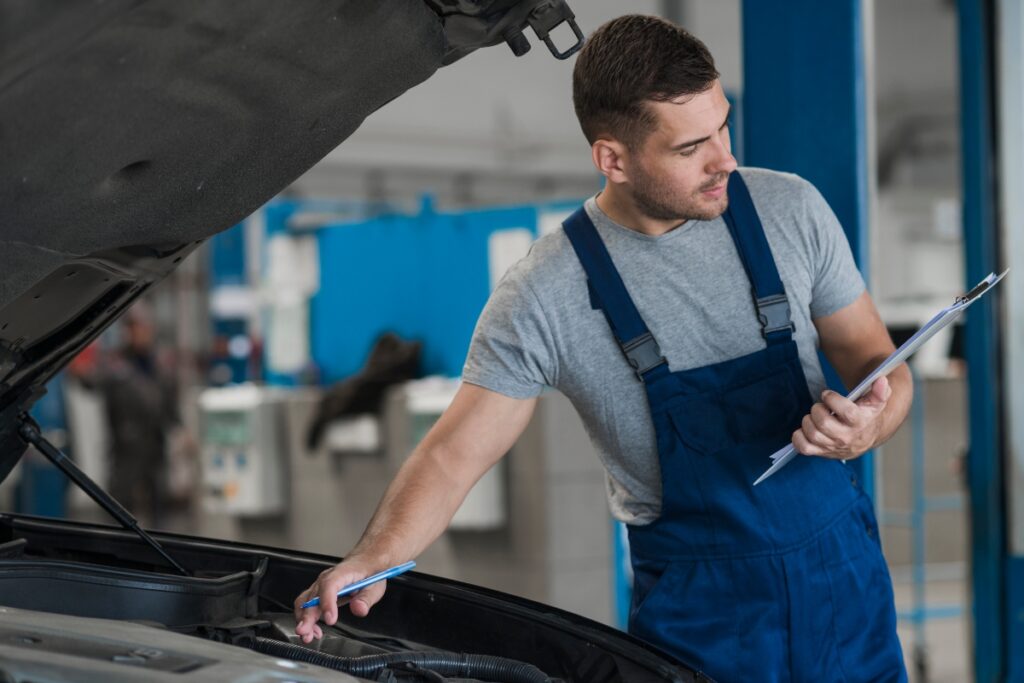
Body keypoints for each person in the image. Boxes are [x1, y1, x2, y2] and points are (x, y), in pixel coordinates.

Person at [295, 15, 911, 682]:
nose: (724, 159)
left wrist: (870, 424)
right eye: (690, 148)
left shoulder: (790, 211)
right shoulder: (547, 292)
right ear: (613, 159)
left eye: (723, 125)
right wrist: (374, 555)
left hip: (845, 597)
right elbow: (452, 453)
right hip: (705, 627)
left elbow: (882, 369)